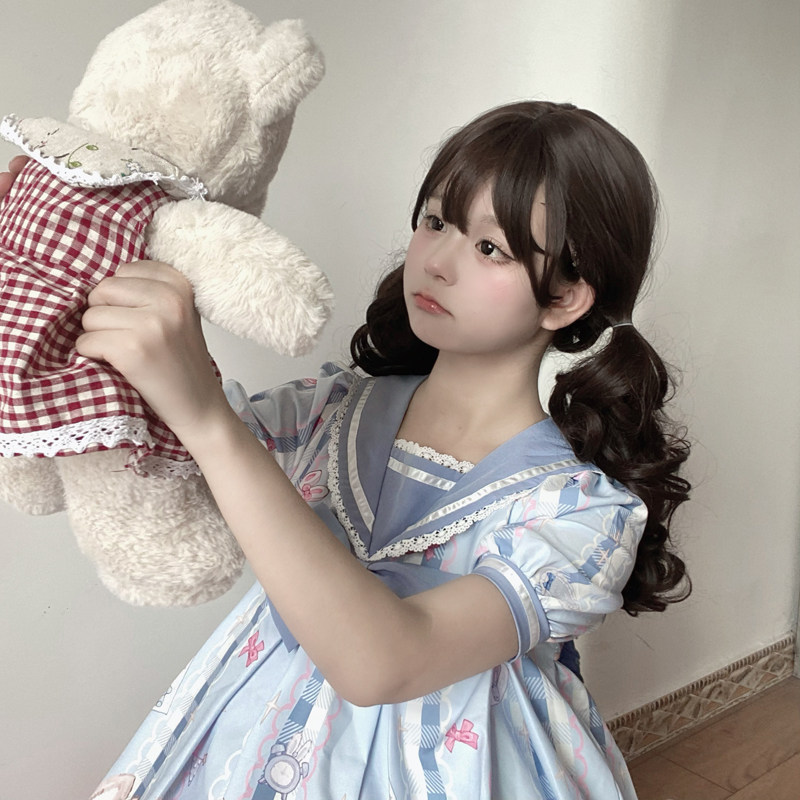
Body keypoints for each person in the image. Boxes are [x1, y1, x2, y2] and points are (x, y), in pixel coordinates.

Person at [0, 101, 690, 799]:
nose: (438, 262)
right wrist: (43, 254)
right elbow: (151, 463)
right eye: (435, 221)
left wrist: (207, 418)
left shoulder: (579, 515)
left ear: (566, 297)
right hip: (249, 740)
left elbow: (384, 662)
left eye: (490, 248)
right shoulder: (326, 414)